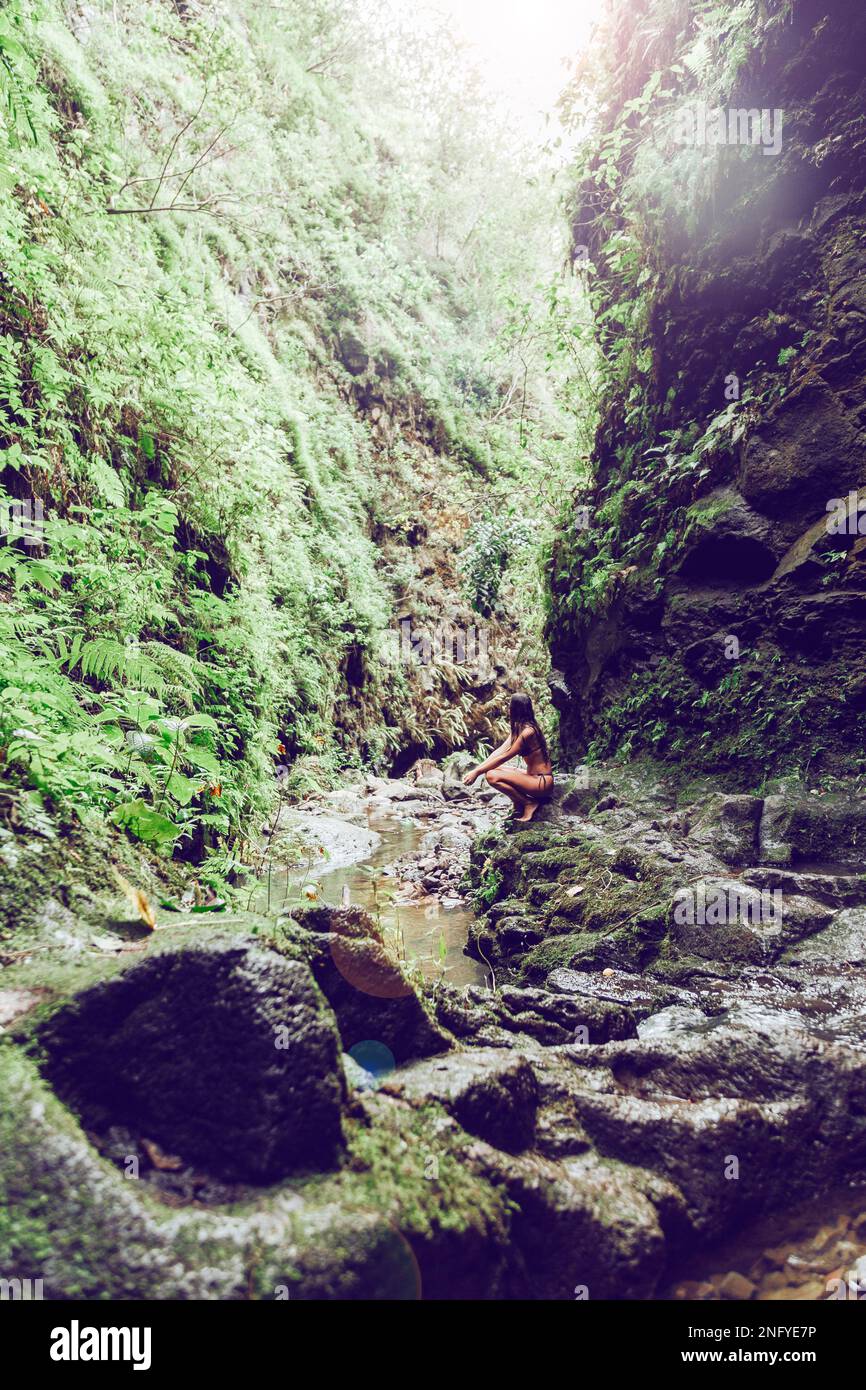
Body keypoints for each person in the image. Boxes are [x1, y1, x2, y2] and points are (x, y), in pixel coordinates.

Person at [462, 692, 553, 823]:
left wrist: (477, 772)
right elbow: (499, 751)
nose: (508, 709)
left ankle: (528, 803)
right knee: (494, 770)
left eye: (510, 706)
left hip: (541, 783)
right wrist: (478, 769)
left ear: (514, 709)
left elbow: (505, 756)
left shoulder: (529, 731)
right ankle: (518, 805)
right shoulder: (520, 728)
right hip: (534, 778)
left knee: (492, 776)